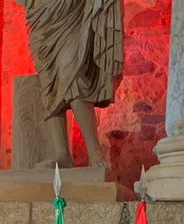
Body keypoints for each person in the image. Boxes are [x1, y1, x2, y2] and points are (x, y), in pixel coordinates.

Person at [17, 0, 123, 169]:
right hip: (42, 16)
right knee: (50, 88)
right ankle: (62, 154)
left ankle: (94, 153)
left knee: (75, 78)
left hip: (73, 12)